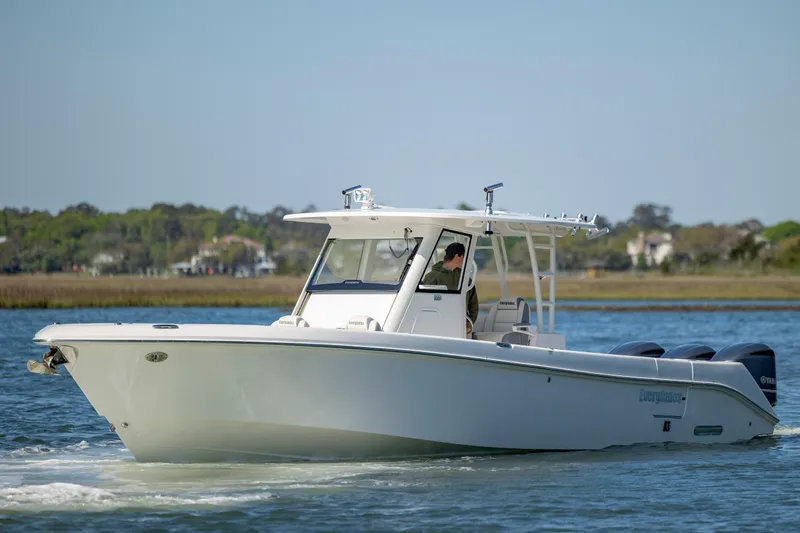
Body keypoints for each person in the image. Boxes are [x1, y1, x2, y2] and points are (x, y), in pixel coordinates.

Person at [422, 242, 479, 324]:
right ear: (457, 256)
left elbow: (473, 305)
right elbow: (424, 302)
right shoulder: (432, 277)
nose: (464, 260)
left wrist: (469, 324)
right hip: (436, 325)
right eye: (463, 257)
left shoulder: (465, 278)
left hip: (460, 326)